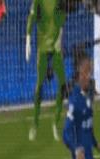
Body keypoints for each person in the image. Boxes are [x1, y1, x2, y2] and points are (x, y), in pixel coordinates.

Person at [26, 0, 67, 142]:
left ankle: (55, 122)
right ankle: (35, 124)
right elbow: (31, 17)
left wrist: (60, 41)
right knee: (39, 85)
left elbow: (61, 21)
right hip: (43, 49)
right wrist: (28, 39)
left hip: (56, 49)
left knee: (63, 85)